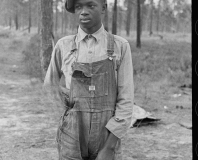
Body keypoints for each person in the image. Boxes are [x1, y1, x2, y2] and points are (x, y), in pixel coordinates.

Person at [43, 0, 134, 159]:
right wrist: (65, 120)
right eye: (78, 7)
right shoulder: (63, 45)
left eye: (90, 5)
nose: (83, 12)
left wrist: (110, 147)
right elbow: (49, 87)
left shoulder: (120, 46)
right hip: (72, 135)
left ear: (103, 8)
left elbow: (126, 99)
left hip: (107, 134)